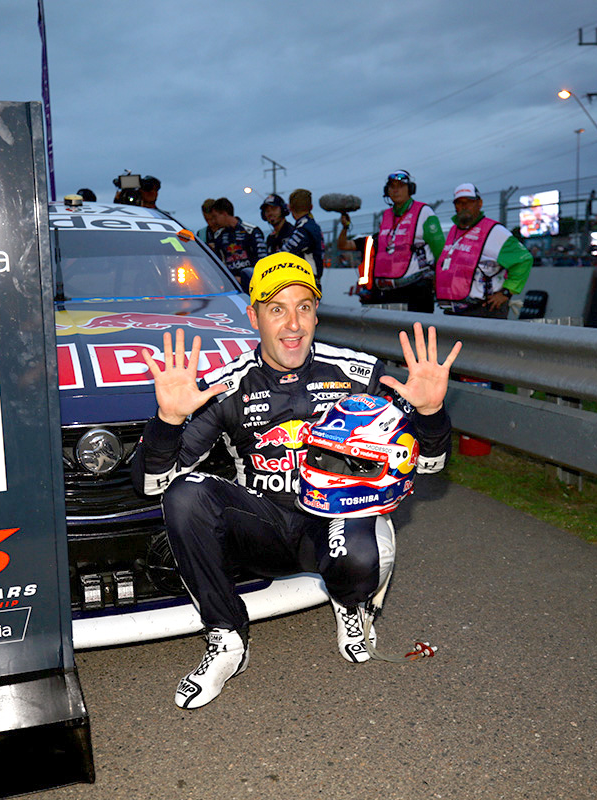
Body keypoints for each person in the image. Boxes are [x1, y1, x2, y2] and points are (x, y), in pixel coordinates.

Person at [131, 252, 460, 709]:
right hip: (262, 529)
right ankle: (227, 641)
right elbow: (151, 483)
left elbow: (431, 465)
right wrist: (167, 422)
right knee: (185, 496)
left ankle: (351, 603)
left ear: (316, 313)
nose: (293, 324)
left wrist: (430, 413)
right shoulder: (227, 385)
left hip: (334, 523)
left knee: (368, 548)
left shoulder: (359, 373)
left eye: (304, 307)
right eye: (277, 309)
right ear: (254, 317)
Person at [434, 183, 531, 320]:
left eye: (469, 202)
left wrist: (506, 293)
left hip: (484, 310)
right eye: (459, 202)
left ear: (479, 203)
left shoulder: (494, 231)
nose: (464, 206)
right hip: (455, 310)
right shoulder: (454, 230)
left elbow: (524, 259)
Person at [358, 170, 443, 312]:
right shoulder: (385, 216)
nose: (396, 190)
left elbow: (440, 250)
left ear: (410, 189)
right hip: (387, 289)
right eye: (392, 186)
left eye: (401, 186)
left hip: (416, 288)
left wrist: (440, 281)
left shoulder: (424, 212)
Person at [208, 197, 266, 292]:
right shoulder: (218, 236)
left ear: (224, 213)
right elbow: (219, 263)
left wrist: (246, 279)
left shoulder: (251, 231)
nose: (214, 221)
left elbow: (262, 260)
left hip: (254, 285)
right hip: (232, 286)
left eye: (215, 216)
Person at [277, 189, 324, 279]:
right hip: (313, 278)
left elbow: (285, 253)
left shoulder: (304, 228)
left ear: (290, 208)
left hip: (306, 278)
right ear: (311, 207)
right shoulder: (313, 226)